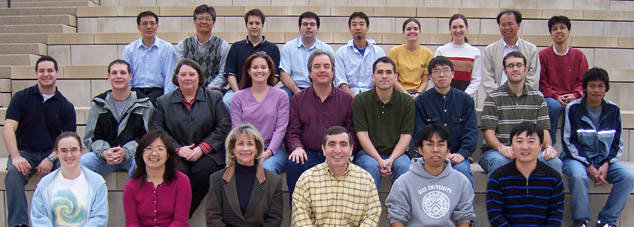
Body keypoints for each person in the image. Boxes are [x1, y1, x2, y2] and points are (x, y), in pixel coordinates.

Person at [150, 59, 231, 217]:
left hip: (208, 153)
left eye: (192, 74)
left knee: (204, 171)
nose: (188, 78)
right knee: (178, 172)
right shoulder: (163, 101)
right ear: (176, 78)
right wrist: (177, 149)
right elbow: (156, 128)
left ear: (199, 77)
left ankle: (180, 214)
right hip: (175, 152)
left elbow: (223, 126)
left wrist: (203, 148)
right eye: (183, 75)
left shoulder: (214, 98)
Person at [4, 55, 76, 227]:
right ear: (36, 73)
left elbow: (69, 141)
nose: (46, 74)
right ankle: (19, 224)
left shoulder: (66, 106)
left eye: (50, 70)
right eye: (42, 71)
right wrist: (15, 156)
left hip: (51, 152)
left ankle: (62, 222)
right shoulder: (21, 98)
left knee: (69, 170)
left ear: (57, 73)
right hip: (24, 152)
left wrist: (52, 158)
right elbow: (8, 128)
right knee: (13, 174)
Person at [562, 68, 634, 227]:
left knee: (628, 176)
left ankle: (607, 221)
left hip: (604, 160)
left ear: (606, 88)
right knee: (579, 176)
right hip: (577, 159)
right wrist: (589, 166)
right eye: (592, 86)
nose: (596, 90)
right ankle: (581, 220)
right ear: (585, 88)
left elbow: (617, 143)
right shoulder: (573, 108)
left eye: (600, 86)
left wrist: (606, 164)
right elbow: (569, 141)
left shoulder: (613, 110)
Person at [285, 50, 355, 198]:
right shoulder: (298, 99)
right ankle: (297, 217)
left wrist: (343, 150)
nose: (322, 70)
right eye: (317, 66)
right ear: (309, 73)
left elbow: (351, 132)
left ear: (333, 72)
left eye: (326, 66)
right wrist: (296, 147)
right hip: (307, 153)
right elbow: (292, 131)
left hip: (336, 152)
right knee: (293, 164)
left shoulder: (347, 99)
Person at [479, 51, 562, 175]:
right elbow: (489, 133)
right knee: (499, 161)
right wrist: (502, 148)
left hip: (529, 149)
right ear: (504, 70)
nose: (515, 69)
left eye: (519, 65)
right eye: (510, 66)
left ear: (526, 69)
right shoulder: (493, 97)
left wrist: (549, 147)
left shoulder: (538, 97)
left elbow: (544, 130)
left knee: (554, 162)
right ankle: (498, 195)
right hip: (497, 151)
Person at [386, 124, 475, 226]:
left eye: (441, 145)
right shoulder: (403, 182)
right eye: (429, 144)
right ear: (420, 150)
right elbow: (397, 218)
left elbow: (464, 218)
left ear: (448, 150)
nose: (435, 149)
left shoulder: (461, 181)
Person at [292, 126, 381, 226]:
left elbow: (372, 217)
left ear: (351, 149)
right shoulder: (306, 180)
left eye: (343, 144)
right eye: (332, 144)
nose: (337, 150)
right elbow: (300, 221)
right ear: (323, 149)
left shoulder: (366, 181)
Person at [81, 59, 153, 178]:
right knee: (83, 162)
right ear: (108, 76)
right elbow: (91, 137)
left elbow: (148, 137)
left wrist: (126, 152)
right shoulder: (99, 104)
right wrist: (104, 152)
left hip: (133, 156)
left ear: (130, 76)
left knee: (142, 163)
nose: (118, 76)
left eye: (123, 73)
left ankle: (132, 196)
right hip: (105, 157)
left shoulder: (144, 104)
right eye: (114, 73)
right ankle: (94, 196)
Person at [353, 56, 415, 190]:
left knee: (405, 166)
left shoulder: (407, 102)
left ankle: (400, 210)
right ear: (373, 76)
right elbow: (362, 134)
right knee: (370, 166)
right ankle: (370, 210)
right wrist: (380, 160)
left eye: (388, 72)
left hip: (397, 153)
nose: (384, 76)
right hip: (368, 154)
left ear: (395, 76)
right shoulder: (360, 100)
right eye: (380, 72)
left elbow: (406, 136)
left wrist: (391, 160)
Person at [414, 56, 477, 186]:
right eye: (436, 71)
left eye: (445, 70)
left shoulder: (465, 100)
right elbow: (419, 133)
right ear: (430, 76)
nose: (441, 74)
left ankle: (465, 207)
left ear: (453, 74)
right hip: (430, 155)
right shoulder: (421, 101)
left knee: (463, 171)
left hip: (457, 156)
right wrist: (438, 152)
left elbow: (470, 131)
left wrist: (462, 154)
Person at [486, 122, 564, 227]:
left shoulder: (554, 178)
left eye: (531, 141)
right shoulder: (498, 177)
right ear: (511, 145)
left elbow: (556, 216)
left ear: (540, 146)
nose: (525, 147)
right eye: (519, 141)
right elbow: (495, 215)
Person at [206, 124, 283, 226]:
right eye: (240, 144)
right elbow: (213, 218)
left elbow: (275, 219)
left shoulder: (274, 181)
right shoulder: (216, 179)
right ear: (233, 148)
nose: (245, 149)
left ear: (257, 149)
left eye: (250, 144)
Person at [30, 132, 108, 226]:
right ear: (57, 153)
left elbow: (99, 218)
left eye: (74, 150)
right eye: (63, 150)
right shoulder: (44, 185)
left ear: (81, 152)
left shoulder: (97, 183)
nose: (69, 155)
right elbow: (39, 218)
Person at [231, 52, 289, 174]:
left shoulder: (281, 96)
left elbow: (281, 128)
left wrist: (267, 153)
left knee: (265, 170)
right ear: (248, 71)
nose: (259, 71)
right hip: (246, 149)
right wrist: (249, 152)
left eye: (263, 67)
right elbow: (237, 129)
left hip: (273, 150)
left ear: (269, 71)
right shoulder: (238, 97)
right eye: (255, 67)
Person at [124, 130, 191, 227]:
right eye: (149, 148)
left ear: (168, 154)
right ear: (141, 154)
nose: (154, 153)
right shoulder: (132, 185)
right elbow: (132, 223)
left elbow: (180, 220)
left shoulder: (181, 181)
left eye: (160, 149)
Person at [539, 15, 589, 144]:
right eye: (554, 29)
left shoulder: (579, 56)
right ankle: (549, 145)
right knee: (553, 107)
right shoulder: (543, 55)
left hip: (573, 96)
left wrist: (574, 95)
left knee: (574, 106)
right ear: (550, 34)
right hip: (552, 98)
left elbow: (583, 81)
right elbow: (542, 83)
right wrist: (556, 96)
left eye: (562, 27)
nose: (559, 31)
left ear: (569, 32)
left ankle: (572, 146)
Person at [223, 8, 281, 110]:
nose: (254, 26)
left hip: (264, 90)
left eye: (257, 23)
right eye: (251, 23)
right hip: (238, 90)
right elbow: (230, 74)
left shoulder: (273, 48)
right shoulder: (236, 47)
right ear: (246, 25)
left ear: (262, 25)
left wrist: (262, 91)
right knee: (227, 101)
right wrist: (238, 93)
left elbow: (275, 76)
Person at [122, 11, 176, 102]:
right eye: (144, 23)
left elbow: (169, 75)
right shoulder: (129, 49)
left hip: (158, 92)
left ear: (157, 26)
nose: (149, 27)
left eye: (152, 23)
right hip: (135, 92)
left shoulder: (167, 48)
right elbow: (125, 74)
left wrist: (166, 98)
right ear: (139, 27)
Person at [279, 11, 335, 99]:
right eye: (305, 24)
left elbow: (332, 73)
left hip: (319, 88)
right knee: (283, 93)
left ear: (317, 29)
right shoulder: (288, 47)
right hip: (294, 89)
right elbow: (284, 74)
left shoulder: (326, 49)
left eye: (312, 24)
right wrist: (297, 91)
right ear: (299, 28)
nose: (308, 27)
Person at [482, 9, 540, 94]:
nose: (507, 28)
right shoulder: (490, 50)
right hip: (498, 99)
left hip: (524, 99)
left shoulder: (531, 49)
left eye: (510, 24)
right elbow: (487, 79)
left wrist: (520, 94)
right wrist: (500, 96)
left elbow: (533, 79)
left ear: (518, 25)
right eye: (503, 25)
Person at [175, 5, 229, 90]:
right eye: (200, 19)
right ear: (194, 21)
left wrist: (209, 88)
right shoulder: (183, 45)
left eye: (208, 19)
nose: (204, 22)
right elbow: (178, 72)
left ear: (213, 23)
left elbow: (223, 74)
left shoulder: (222, 45)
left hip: (213, 91)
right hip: (187, 90)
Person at [335, 11, 385, 97]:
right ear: (349, 28)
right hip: (348, 98)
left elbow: (381, 79)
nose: (358, 27)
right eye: (354, 24)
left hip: (373, 98)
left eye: (361, 24)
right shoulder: (341, 53)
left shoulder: (378, 52)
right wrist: (356, 100)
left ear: (368, 27)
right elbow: (341, 82)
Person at [434, 14, 481, 97]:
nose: (458, 30)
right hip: (444, 98)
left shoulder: (475, 52)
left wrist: (464, 96)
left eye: (461, 27)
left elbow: (476, 79)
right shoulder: (441, 51)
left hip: (467, 99)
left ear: (466, 28)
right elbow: (436, 76)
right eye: (454, 27)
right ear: (450, 29)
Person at [388, 18, 432, 98]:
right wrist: (405, 94)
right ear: (403, 33)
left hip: (419, 95)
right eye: (408, 29)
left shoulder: (427, 53)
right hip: (399, 94)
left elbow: (425, 81)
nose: (412, 31)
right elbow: (393, 78)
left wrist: (417, 94)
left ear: (420, 32)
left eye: (415, 29)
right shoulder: (394, 52)